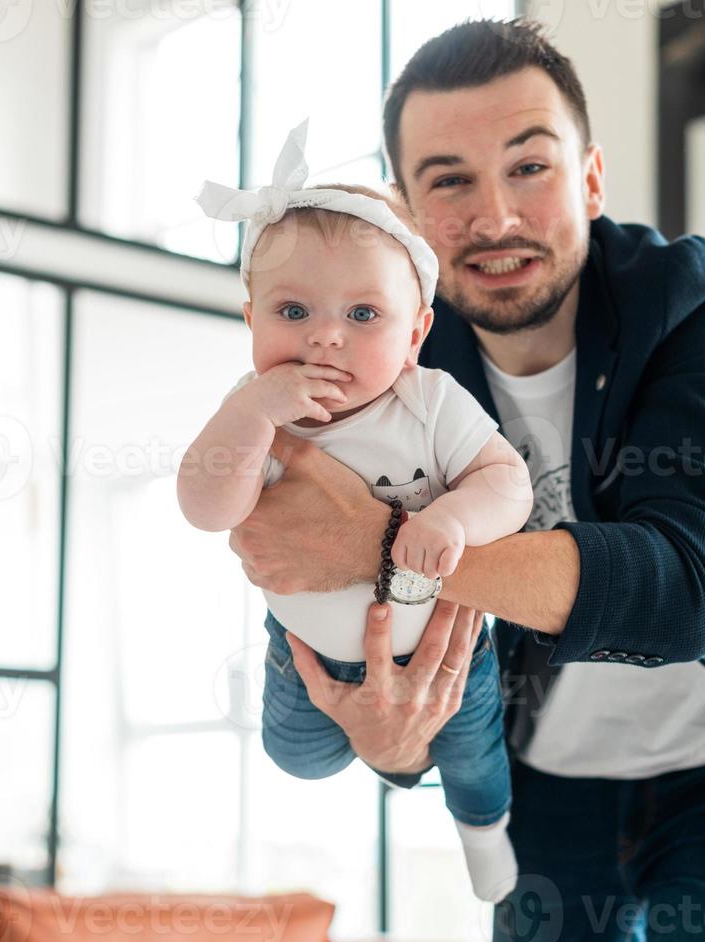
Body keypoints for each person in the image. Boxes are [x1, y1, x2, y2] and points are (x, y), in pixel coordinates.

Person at [227, 18, 705, 942]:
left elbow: (680, 592)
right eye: (449, 180)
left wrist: (375, 542)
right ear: (409, 221)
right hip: (537, 774)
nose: (496, 215)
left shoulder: (691, 298)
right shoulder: (395, 360)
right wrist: (390, 745)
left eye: (530, 166)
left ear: (590, 178)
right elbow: (337, 589)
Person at [176, 121, 534, 902]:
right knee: (296, 757)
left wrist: (451, 520)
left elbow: (509, 484)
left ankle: (483, 840)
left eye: (363, 317)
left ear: (415, 335)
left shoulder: (430, 401)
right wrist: (252, 415)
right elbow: (205, 508)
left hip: (442, 648)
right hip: (301, 647)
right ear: (250, 320)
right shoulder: (255, 417)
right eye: (292, 312)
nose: (324, 340)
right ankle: (345, 760)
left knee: (475, 761)